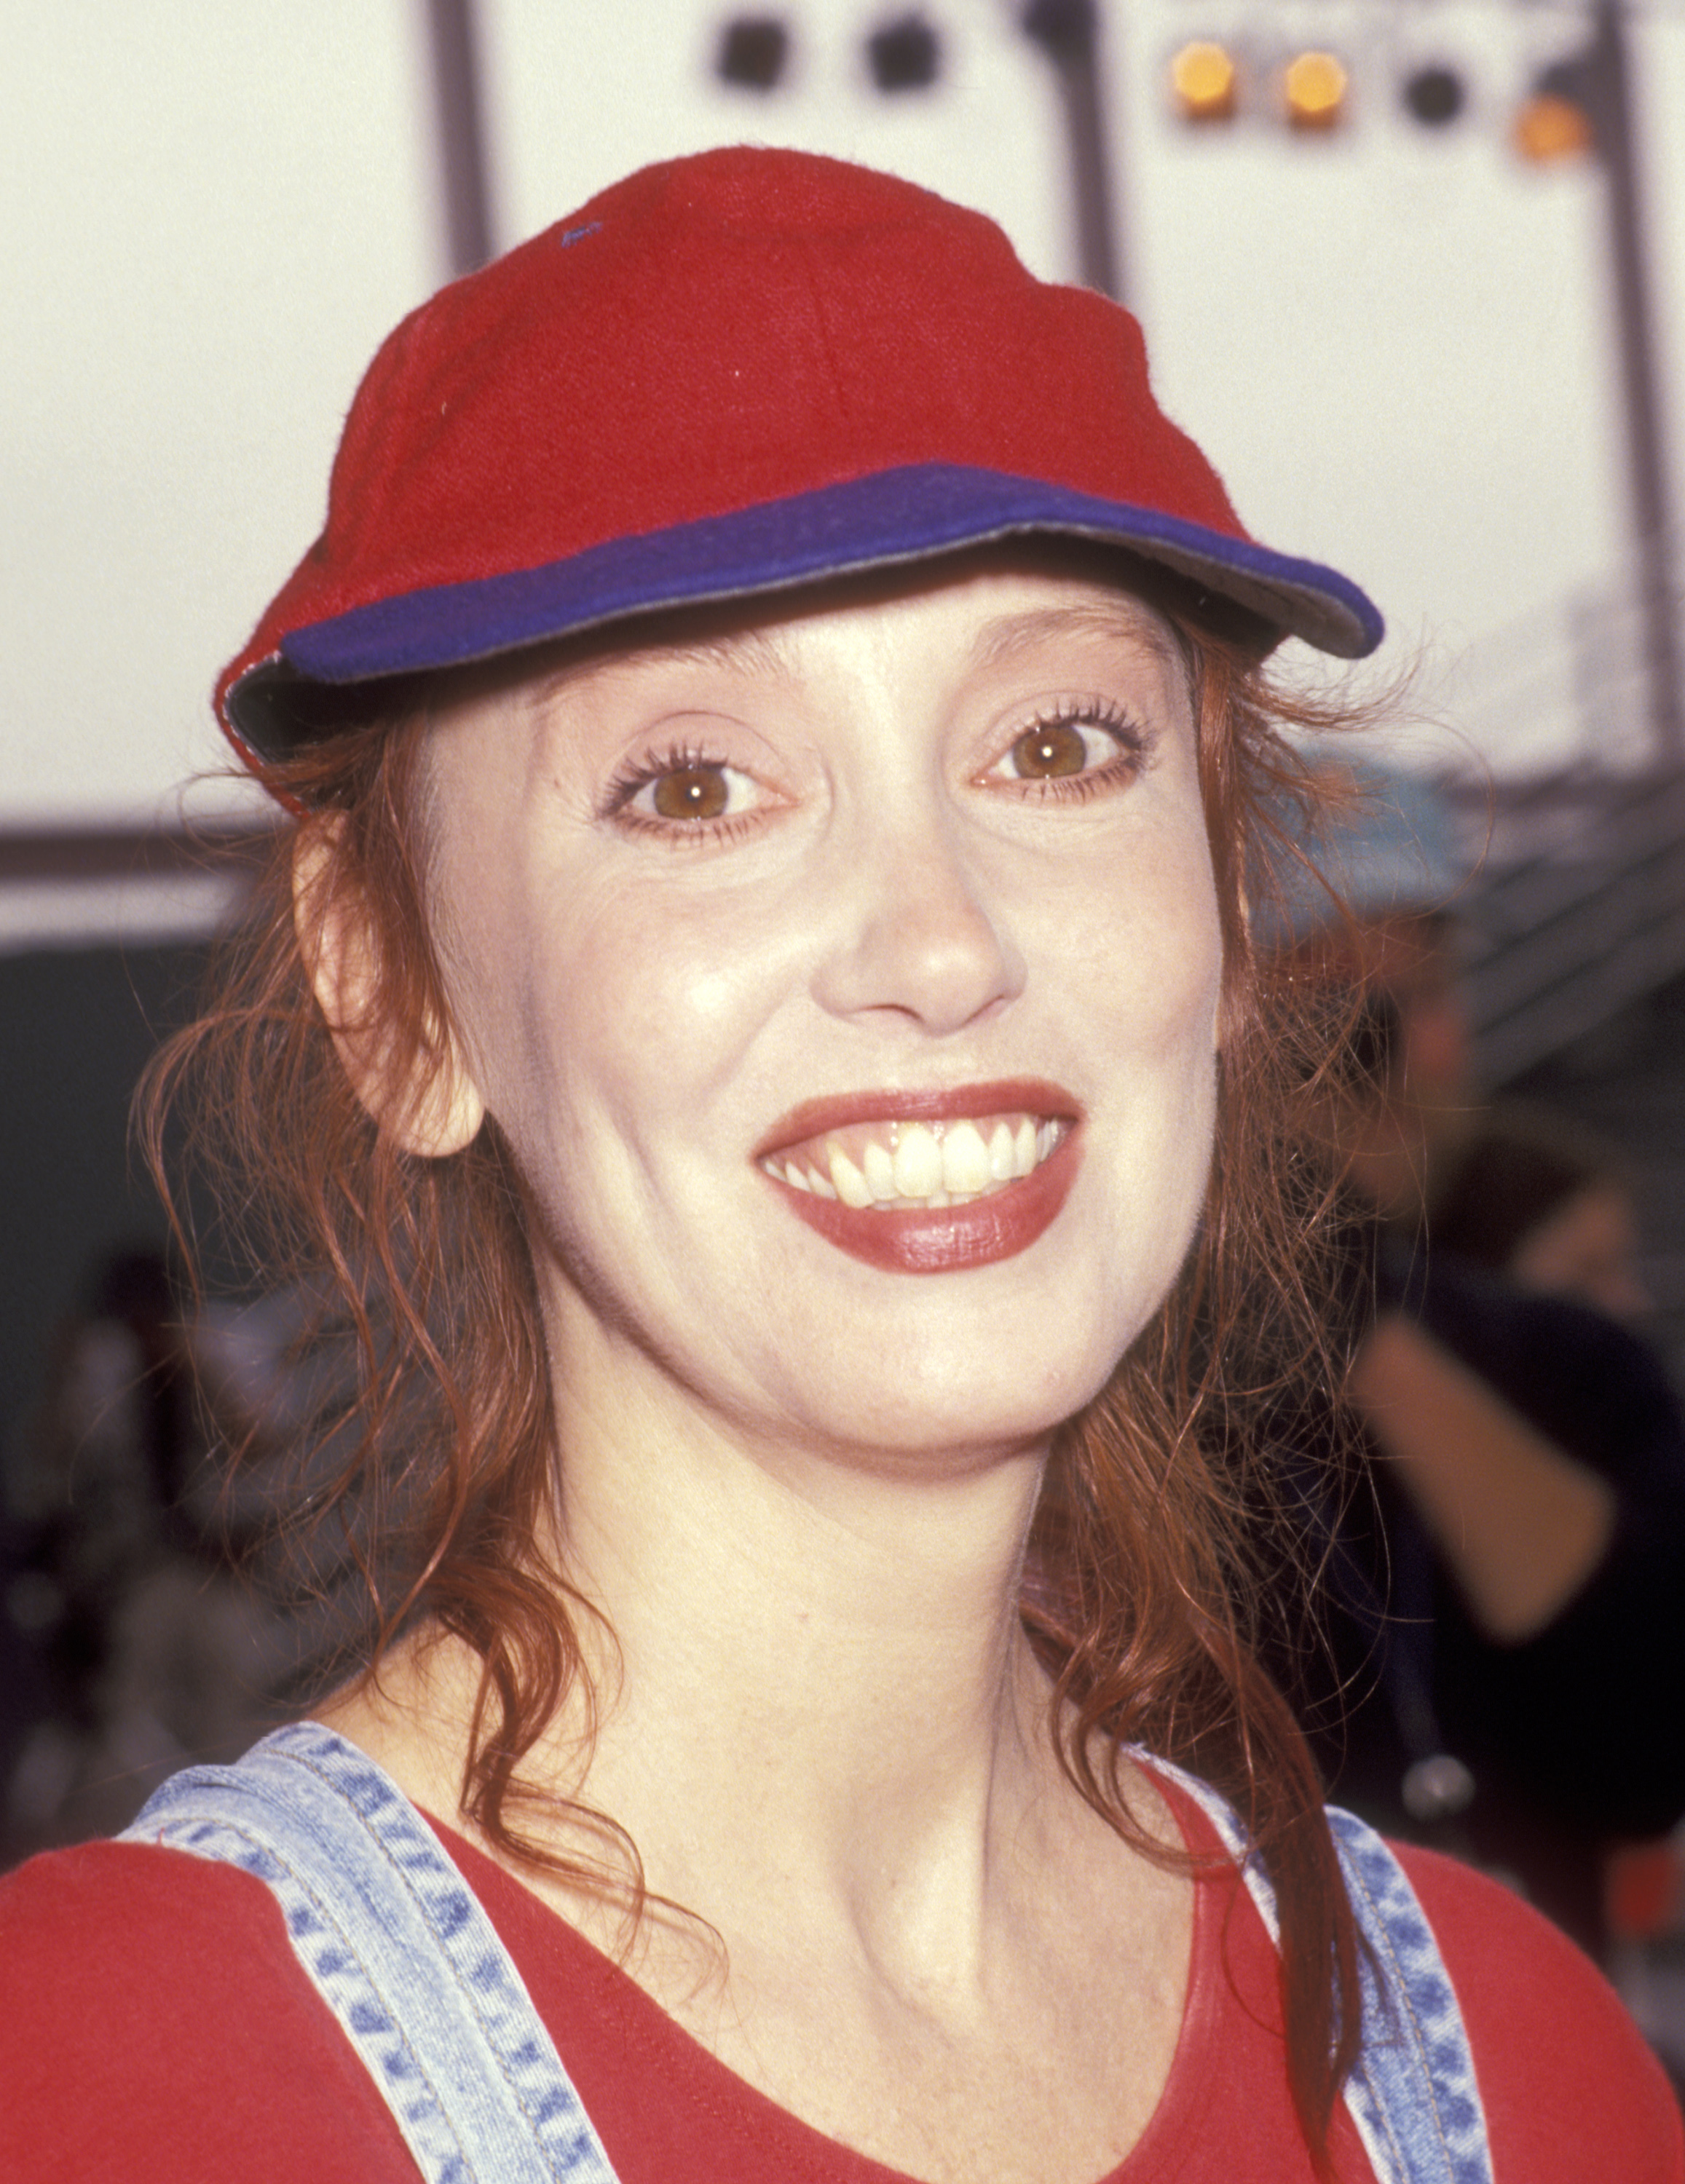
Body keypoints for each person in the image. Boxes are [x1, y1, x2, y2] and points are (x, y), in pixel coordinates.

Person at [1, 149, 1678, 2183]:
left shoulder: (1507, 2079)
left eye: (1055, 749)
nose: (942, 943)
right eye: (696, 786)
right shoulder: (101, 2084)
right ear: (397, 998)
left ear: (1229, 918)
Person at [1270, 759, 1685, 1958]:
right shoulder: (1099, 1386)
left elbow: (1642, 1748)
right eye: (1324, 999)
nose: (1383, 1050)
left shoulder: (1561, 1360)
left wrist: (1360, 1333)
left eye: (1422, 988)